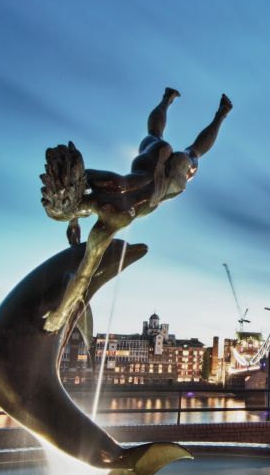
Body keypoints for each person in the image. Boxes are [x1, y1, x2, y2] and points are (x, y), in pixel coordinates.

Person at [40, 88, 231, 332]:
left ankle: (193, 107)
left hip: (157, 176)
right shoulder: (101, 185)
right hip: (157, 174)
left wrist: (59, 315)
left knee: (181, 147)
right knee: (177, 145)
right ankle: (194, 107)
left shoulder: (109, 211)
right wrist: (73, 220)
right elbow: (77, 188)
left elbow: (83, 276)